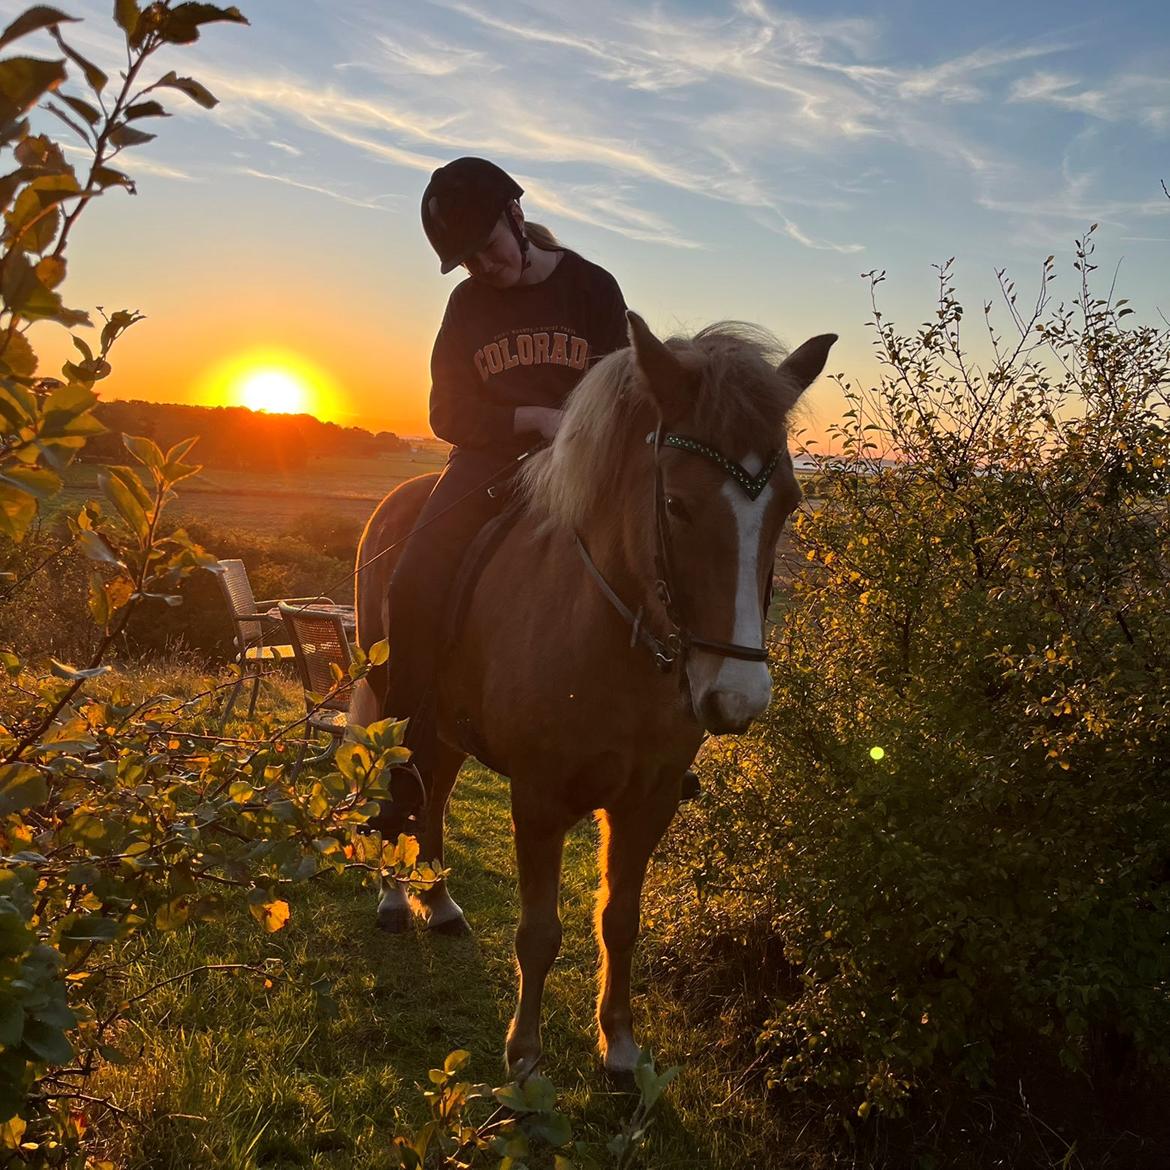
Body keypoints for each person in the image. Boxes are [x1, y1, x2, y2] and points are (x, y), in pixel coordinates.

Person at [375, 156, 697, 830]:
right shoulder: (466, 306)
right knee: (411, 584)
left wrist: (575, 432)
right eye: (467, 261)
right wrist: (527, 419)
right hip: (487, 466)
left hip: (583, 468)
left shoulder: (590, 288)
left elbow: (629, 391)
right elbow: (444, 412)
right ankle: (403, 763)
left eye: (487, 248)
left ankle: (674, 731)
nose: (485, 268)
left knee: (669, 554)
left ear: (515, 217)